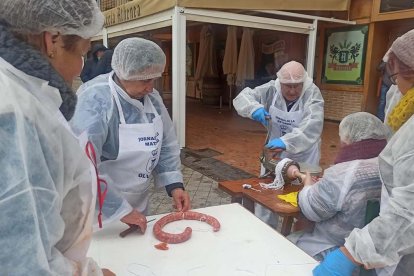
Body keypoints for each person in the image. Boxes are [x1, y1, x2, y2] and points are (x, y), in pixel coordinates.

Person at [0, 0, 115, 275]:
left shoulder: (25, 93)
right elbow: (21, 261)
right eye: (82, 54)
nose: (79, 69)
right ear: (52, 41)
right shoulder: (15, 113)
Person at [314, 29, 414, 276]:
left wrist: (352, 253)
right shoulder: (405, 105)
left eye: (395, 77)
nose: (396, 87)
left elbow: (408, 213)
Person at [71, 38, 191, 229]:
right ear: (125, 73)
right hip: (98, 213)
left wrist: (174, 185)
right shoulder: (95, 99)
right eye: (145, 80)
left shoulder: (152, 99)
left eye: (154, 80)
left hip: (138, 207)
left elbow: (167, 144)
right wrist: (118, 208)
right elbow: (81, 164)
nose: (151, 88)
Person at [233, 60, 324, 227]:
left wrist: (286, 141)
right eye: (287, 86)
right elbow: (243, 97)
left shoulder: (312, 93)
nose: (292, 90)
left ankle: (298, 234)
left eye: (297, 86)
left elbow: (312, 126)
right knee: (266, 194)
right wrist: (253, 108)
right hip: (275, 152)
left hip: (304, 154)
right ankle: (265, 232)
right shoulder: (271, 89)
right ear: (280, 82)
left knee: (302, 198)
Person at [288, 112, 388, 262]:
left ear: (347, 139)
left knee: (286, 242)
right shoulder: (391, 163)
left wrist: (308, 185)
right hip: (378, 249)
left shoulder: (342, 174)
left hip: (338, 249)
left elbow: (312, 210)